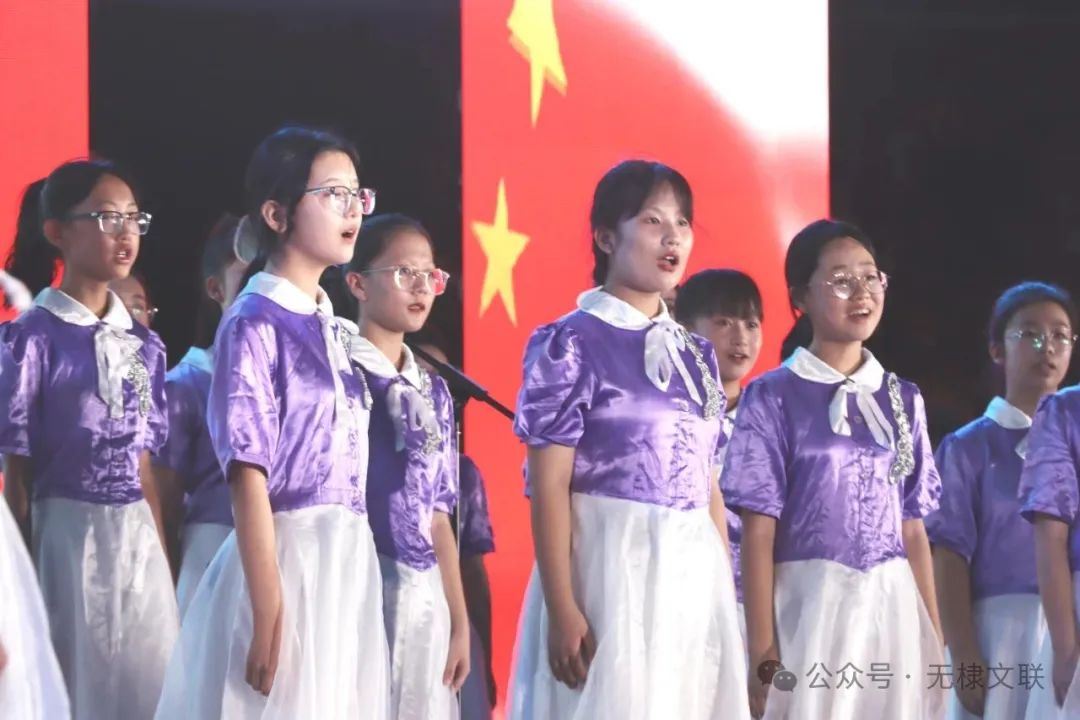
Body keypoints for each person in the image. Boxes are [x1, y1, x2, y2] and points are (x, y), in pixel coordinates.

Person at [154, 126, 390, 718]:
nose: (353, 210)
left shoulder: (332, 328)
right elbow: (247, 473)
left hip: (344, 560)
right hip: (287, 561)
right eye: (333, 194)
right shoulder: (254, 321)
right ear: (277, 214)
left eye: (358, 195)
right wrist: (267, 607)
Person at [508, 160, 749, 720]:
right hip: (608, 570)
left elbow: (708, 484)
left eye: (682, 222)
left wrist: (724, 596)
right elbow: (549, 485)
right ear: (605, 237)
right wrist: (563, 605)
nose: (673, 237)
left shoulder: (696, 356)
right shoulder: (570, 341)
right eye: (652, 220)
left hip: (690, 575)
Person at [722, 219, 945, 719]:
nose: (861, 292)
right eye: (841, 280)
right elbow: (758, 531)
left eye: (870, 277)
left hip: (889, 604)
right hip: (810, 604)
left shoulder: (903, 398)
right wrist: (762, 649)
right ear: (801, 297)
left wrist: (933, 637)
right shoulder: (773, 396)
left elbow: (912, 529)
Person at [0, 162, 177, 720]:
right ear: (57, 232)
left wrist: (163, 563)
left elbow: (145, 468)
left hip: (138, 543)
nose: (125, 233)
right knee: (73, 689)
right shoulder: (29, 337)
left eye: (133, 219)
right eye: (106, 218)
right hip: (65, 539)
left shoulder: (146, 346)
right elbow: (17, 473)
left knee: (149, 690)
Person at [337, 214, 468, 718]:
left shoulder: (434, 390)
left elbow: (438, 514)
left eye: (430, 275)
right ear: (357, 283)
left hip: (422, 593)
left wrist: (459, 620)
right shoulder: (339, 371)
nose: (421, 287)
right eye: (403, 272)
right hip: (355, 582)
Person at [928, 282, 1073, 719]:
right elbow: (949, 555)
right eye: (1030, 334)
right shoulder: (969, 447)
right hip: (1001, 631)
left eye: (1060, 335)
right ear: (997, 349)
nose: (1047, 346)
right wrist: (964, 653)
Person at [151, 214, 250, 616]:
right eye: (248, 277)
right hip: (209, 558)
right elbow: (163, 507)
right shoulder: (185, 386)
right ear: (215, 288)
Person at [676, 268, 764, 645]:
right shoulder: (668, 418)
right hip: (681, 601)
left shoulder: (770, 420)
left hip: (753, 609)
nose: (740, 337)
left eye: (751, 323)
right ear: (683, 328)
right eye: (724, 322)